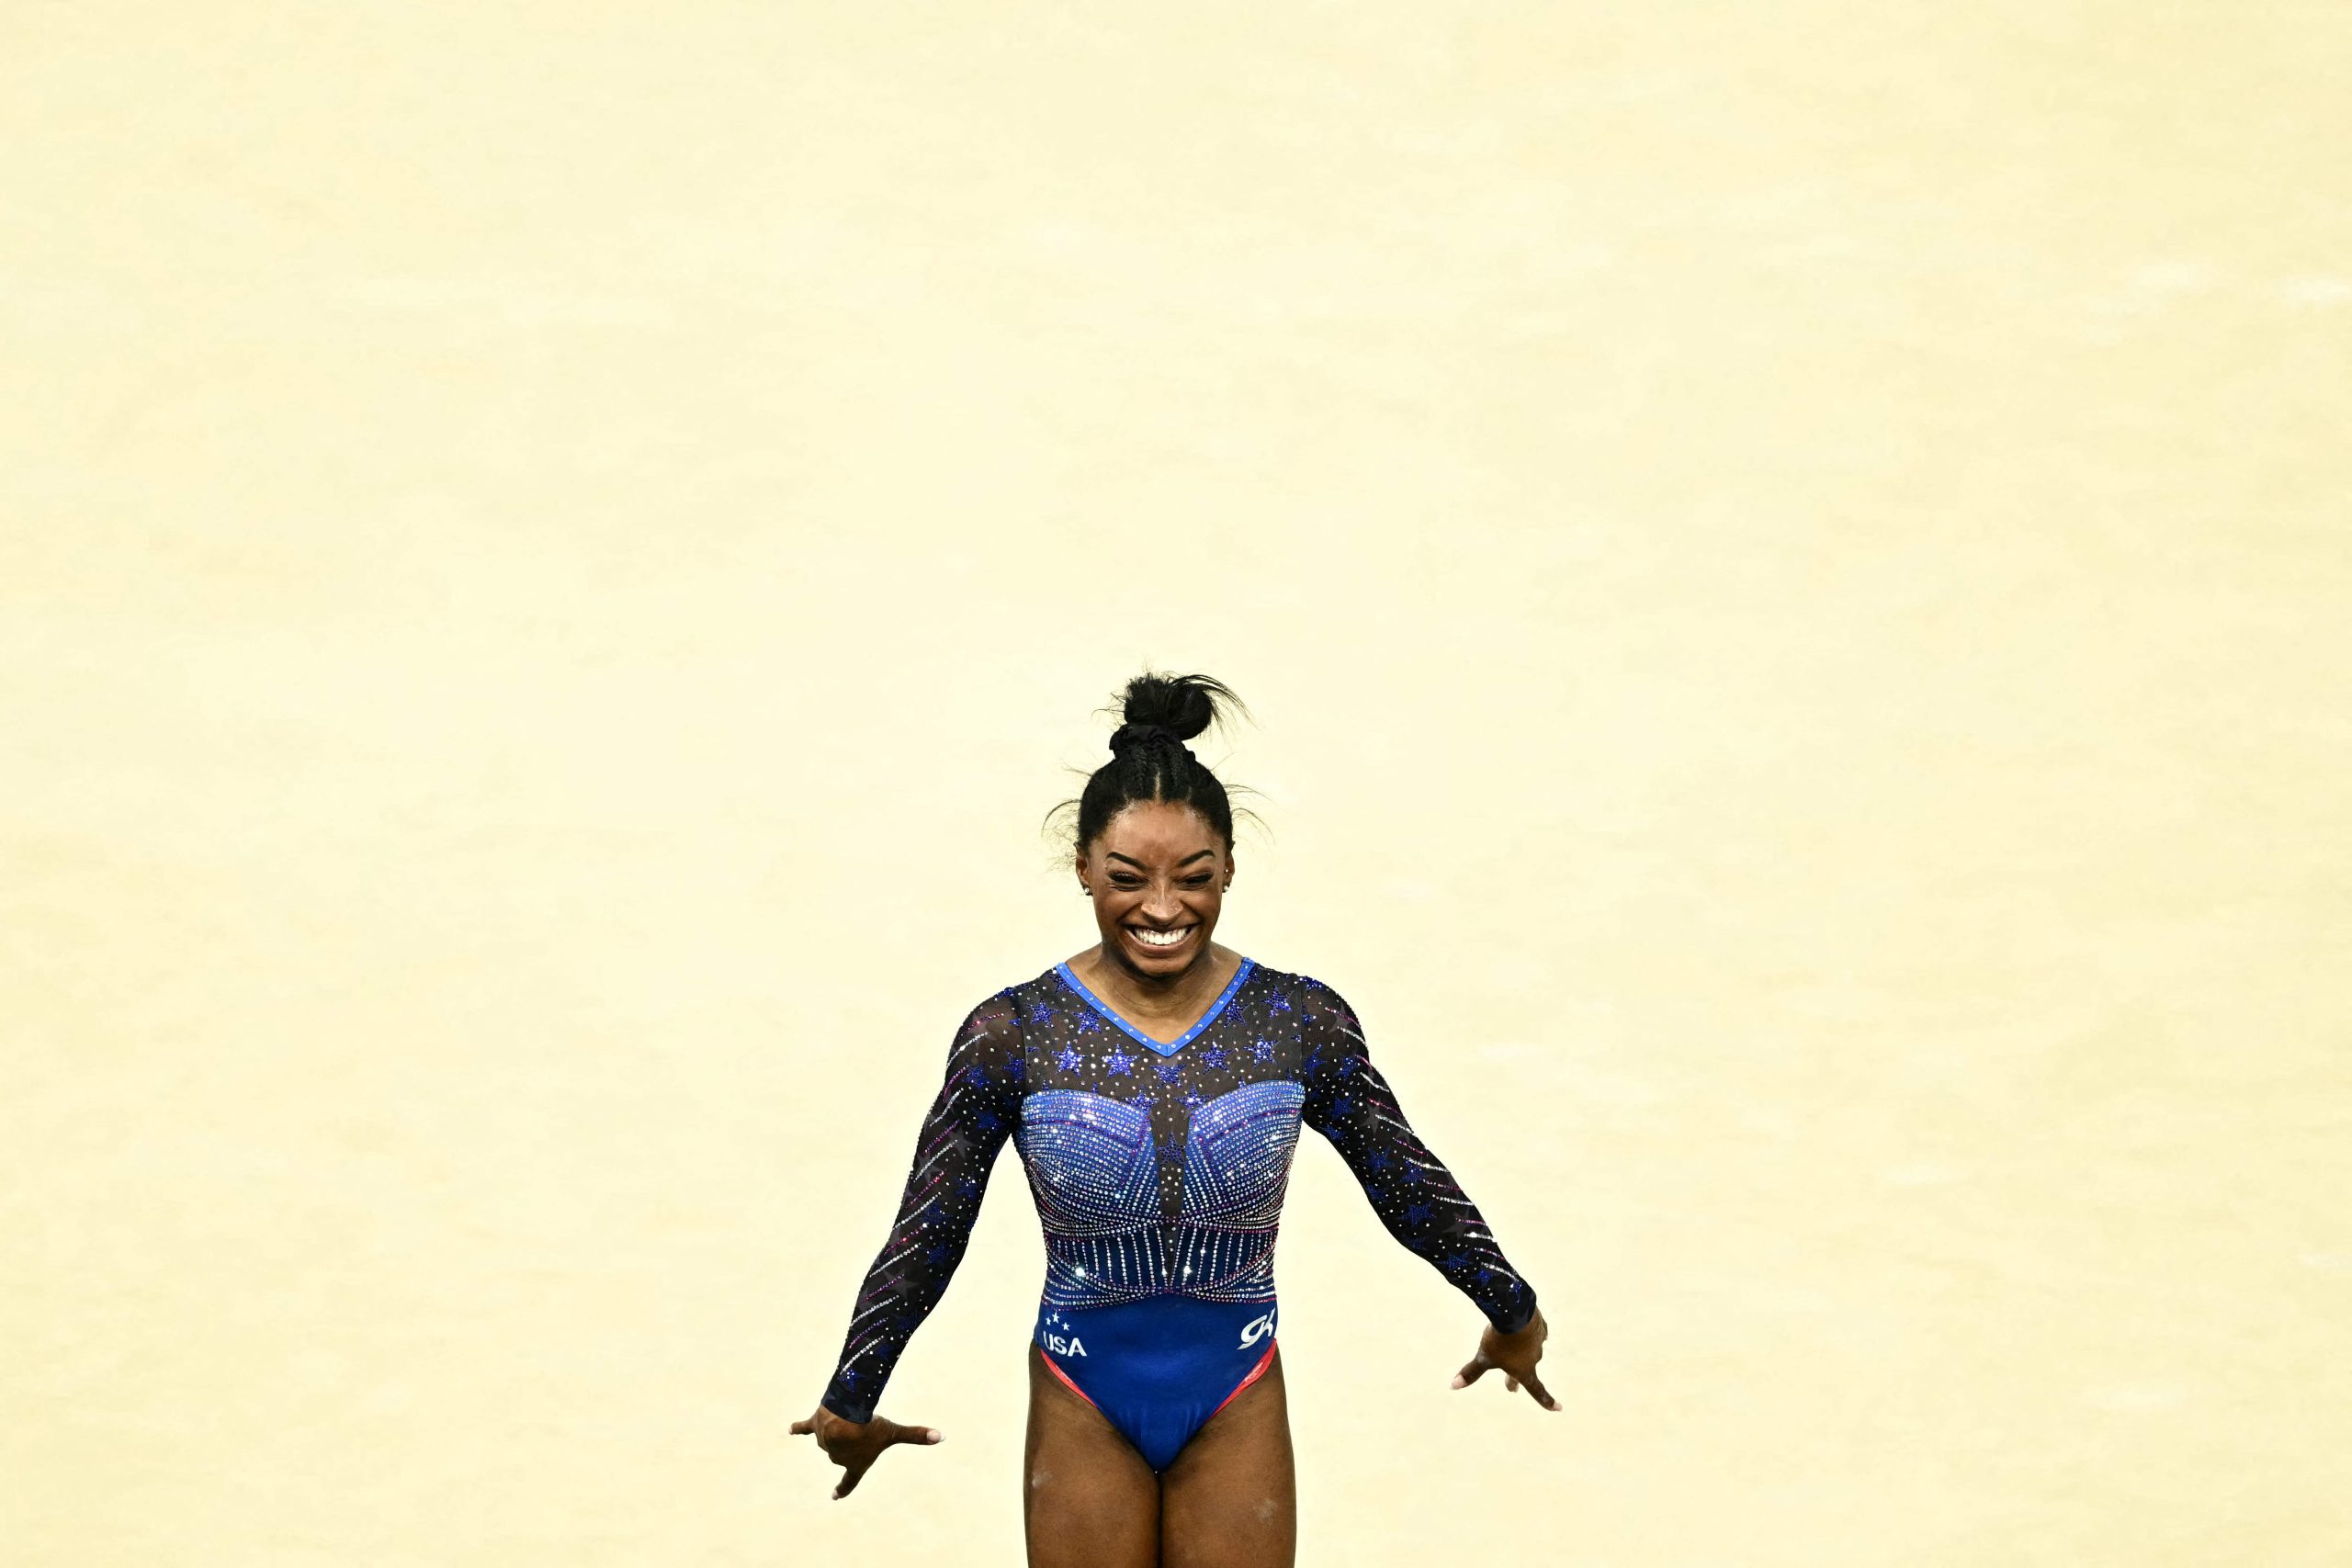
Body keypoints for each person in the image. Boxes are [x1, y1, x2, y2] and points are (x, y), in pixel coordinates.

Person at [793, 671, 1556, 1567]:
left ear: (1230, 865)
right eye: (1127, 878)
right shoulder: (1016, 1034)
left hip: (1234, 1390)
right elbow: (931, 1227)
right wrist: (854, 1391)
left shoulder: (1293, 1023)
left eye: (1193, 877)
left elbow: (1406, 1181)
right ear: (1081, 868)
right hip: (1084, 1392)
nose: (1161, 908)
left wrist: (1511, 1309)